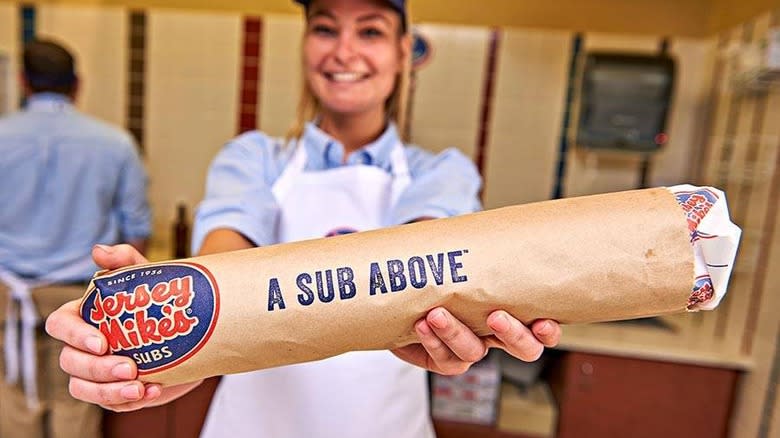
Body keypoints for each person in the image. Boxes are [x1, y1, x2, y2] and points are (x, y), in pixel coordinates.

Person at [45, 0, 561, 436]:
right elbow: (226, 262)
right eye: (324, 28)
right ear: (304, 44)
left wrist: (459, 319)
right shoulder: (253, 159)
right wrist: (187, 335)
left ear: (405, 52)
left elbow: (424, 264)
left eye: (371, 31)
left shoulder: (443, 173)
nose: (344, 50)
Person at [0, 38, 151, 438]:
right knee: (76, 402)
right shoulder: (116, 143)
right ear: (76, 84)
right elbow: (136, 233)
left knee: (12, 405)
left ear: (23, 83)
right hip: (82, 300)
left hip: (5, 294)